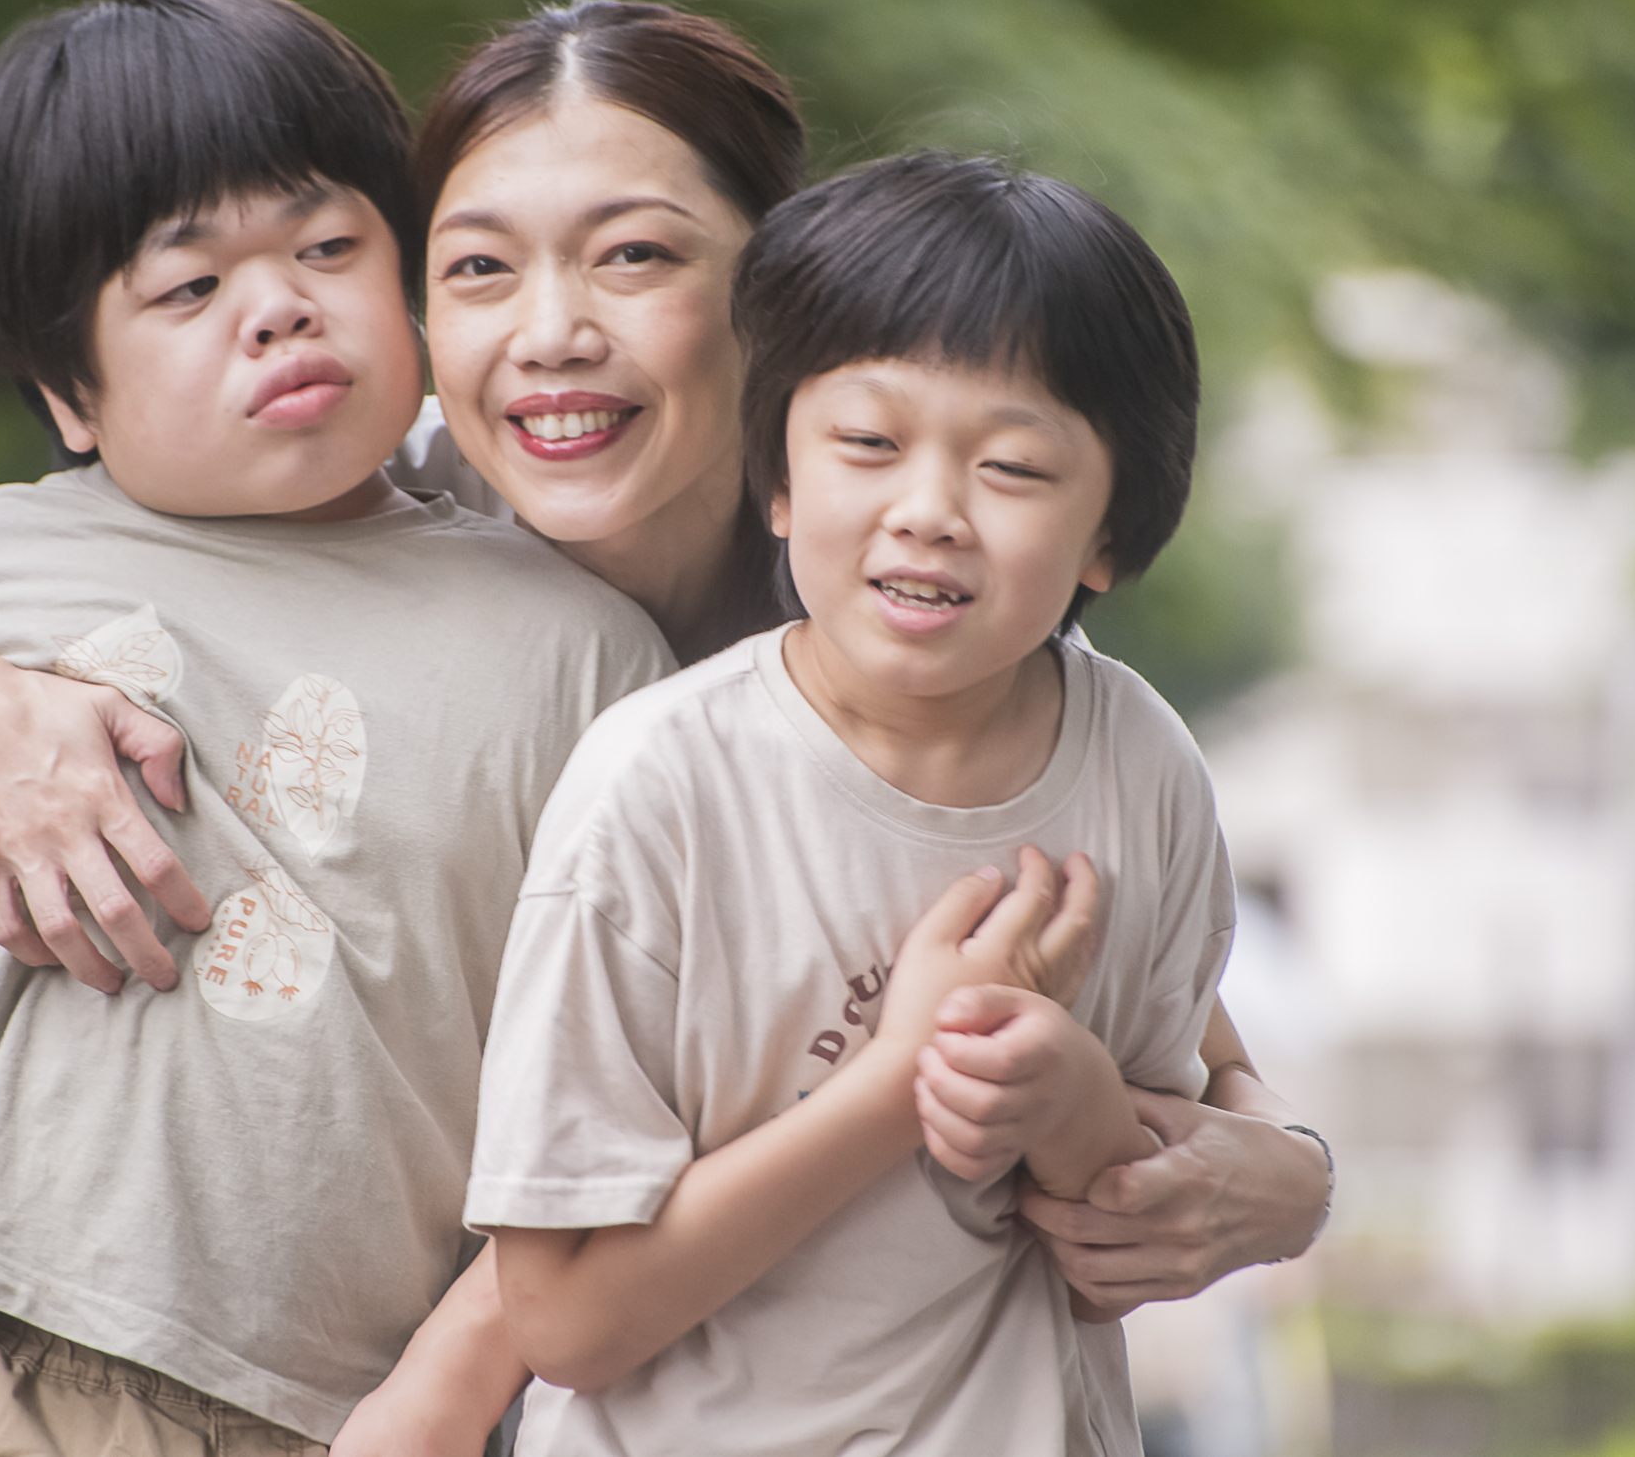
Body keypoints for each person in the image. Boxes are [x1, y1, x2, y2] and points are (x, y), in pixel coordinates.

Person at [0, 0, 1330, 1337]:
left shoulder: (897, 606)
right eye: (476, 267)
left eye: (638, 255)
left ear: (784, 300)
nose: (550, 333)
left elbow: (1106, 966)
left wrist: (1285, 1169)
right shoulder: (377, 508)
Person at [0, 0, 673, 1457]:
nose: (278, 307)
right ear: (67, 388)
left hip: (350, 1408)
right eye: (189, 288)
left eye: (329, 245)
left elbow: (605, 1084)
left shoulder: (581, 647)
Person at [469, 152, 1234, 1455]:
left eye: (1012, 468)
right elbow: (563, 1320)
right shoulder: (658, 787)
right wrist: (899, 1080)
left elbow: (1137, 1243)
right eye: (868, 443)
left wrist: (1067, 1092)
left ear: (1112, 533)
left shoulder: (1141, 768)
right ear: (777, 479)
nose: (927, 510)